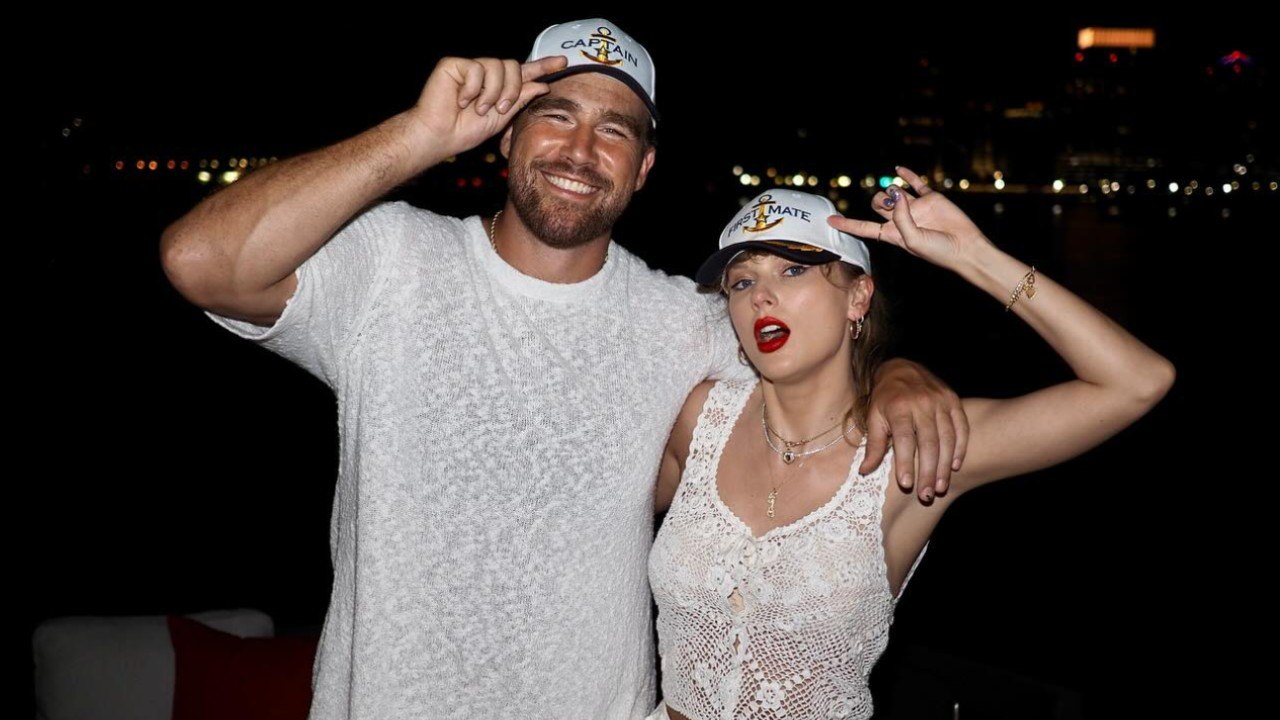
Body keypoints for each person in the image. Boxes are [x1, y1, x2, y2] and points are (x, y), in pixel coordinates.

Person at [159, 20, 966, 720]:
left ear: (643, 167)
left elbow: (816, 359)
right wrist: (420, 134)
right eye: (556, 115)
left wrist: (895, 373)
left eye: (615, 130)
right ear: (506, 134)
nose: (581, 150)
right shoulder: (393, 261)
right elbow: (202, 262)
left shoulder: (684, 323)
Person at [648, 179, 1175, 720]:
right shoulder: (698, 419)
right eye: (742, 282)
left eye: (793, 270)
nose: (761, 296)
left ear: (858, 297)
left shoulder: (917, 446)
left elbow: (1136, 382)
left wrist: (975, 257)